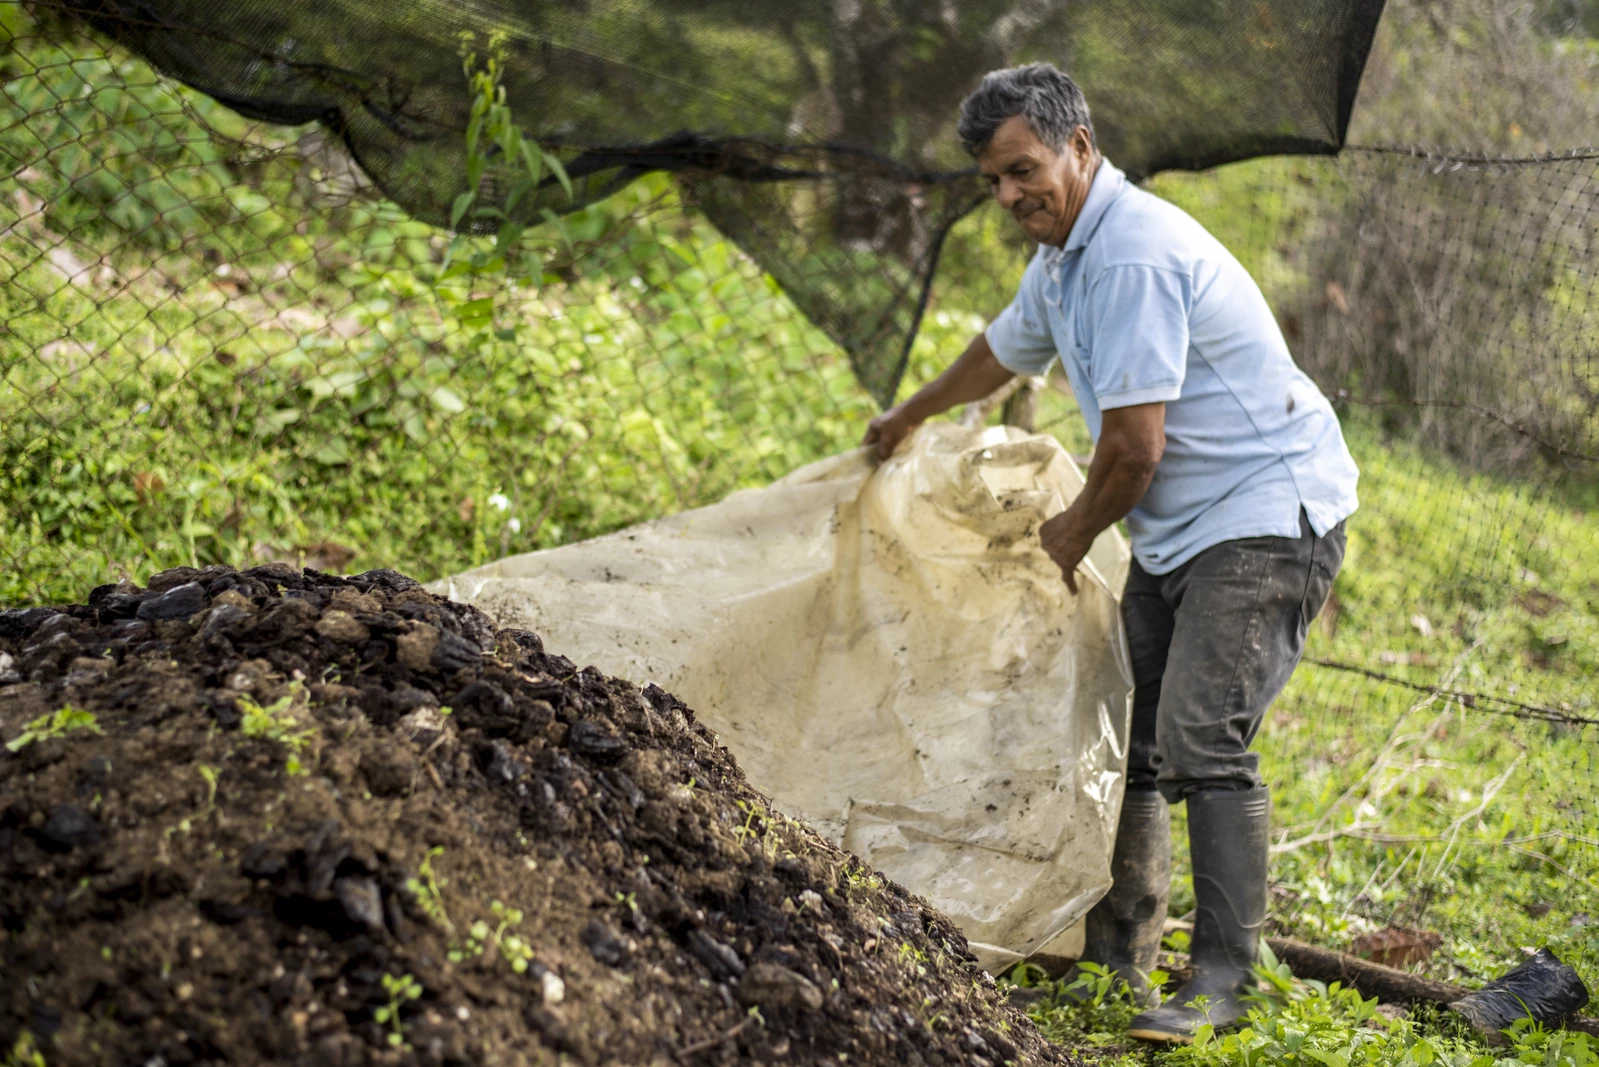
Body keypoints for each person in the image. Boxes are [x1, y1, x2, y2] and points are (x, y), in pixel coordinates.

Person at [863, 63, 1358, 1043]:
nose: (1009, 196)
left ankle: (1223, 978)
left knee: (1202, 735)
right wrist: (912, 412)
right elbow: (1007, 347)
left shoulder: (1129, 254)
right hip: (1182, 525)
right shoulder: (1062, 259)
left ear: (1079, 146)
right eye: (994, 181)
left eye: (1023, 170)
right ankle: (1118, 952)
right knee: (1124, 728)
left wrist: (1071, 532)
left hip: (1266, 512)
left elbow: (1134, 448)